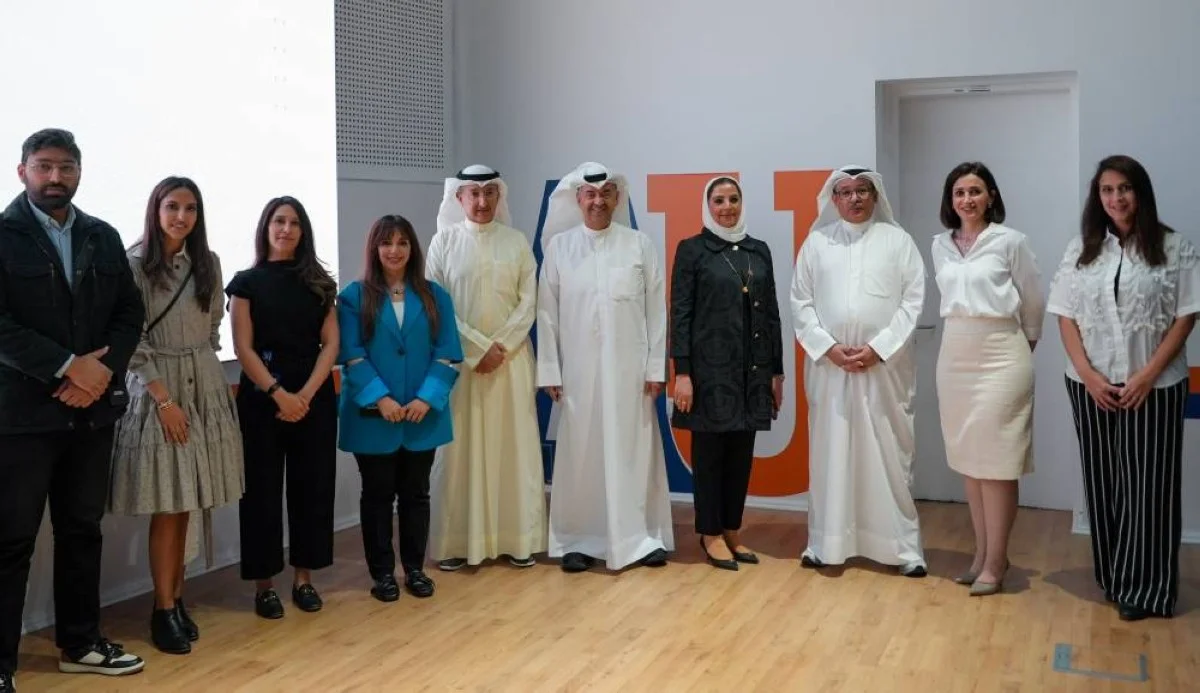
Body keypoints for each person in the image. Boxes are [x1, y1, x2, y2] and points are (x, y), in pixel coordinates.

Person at [0, 128, 146, 688]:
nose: (55, 177)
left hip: (91, 413)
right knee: (10, 541)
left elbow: (128, 316)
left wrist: (98, 373)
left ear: (79, 172)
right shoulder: (4, 235)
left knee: (82, 529)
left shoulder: (102, 237)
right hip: (20, 420)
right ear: (23, 173)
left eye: (65, 167)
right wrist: (66, 366)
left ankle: (80, 643)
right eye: (43, 167)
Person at [1047, 155, 1198, 621]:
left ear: (1141, 192)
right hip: (1090, 386)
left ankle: (1147, 590)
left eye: (1125, 188)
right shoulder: (1081, 249)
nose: (1116, 198)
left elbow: (1187, 313)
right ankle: (1114, 577)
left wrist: (1149, 374)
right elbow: (1065, 316)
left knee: (1148, 488)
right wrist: (1088, 375)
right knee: (1104, 484)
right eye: (1107, 190)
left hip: (1154, 385)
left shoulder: (1174, 247)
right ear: (1098, 196)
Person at [110, 177, 245, 653]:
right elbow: (131, 340)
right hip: (156, 392)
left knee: (186, 500)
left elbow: (212, 329)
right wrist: (164, 399)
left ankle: (178, 597)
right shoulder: (132, 265)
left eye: (190, 208)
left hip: (203, 386)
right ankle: (162, 608)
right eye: (172, 207)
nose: (181, 217)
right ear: (156, 209)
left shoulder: (208, 263)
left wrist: (203, 381)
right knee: (167, 504)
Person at [789, 165, 928, 577]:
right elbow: (801, 303)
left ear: (874, 195)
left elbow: (912, 302)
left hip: (884, 371)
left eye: (862, 191)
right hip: (830, 370)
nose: (854, 199)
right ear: (833, 200)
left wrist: (878, 349)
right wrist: (829, 349)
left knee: (888, 453)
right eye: (845, 192)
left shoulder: (898, 242)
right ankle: (825, 542)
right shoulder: (816, 244)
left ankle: (902, 549)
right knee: (831, 453)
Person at [536, 161, 674, 572]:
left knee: (634, 452)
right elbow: (546, 315)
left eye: (606, 194)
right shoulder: (559, 249)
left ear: (617, 198)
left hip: (632, 375)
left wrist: (655, 368)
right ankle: (578, 540)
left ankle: (643, 538)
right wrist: (550, 371)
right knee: (581, 456)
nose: (598, 201)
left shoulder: (639, 245)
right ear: (578, 199)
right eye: (590, 195)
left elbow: (656, 312)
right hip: (577, 374)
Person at [931, 162, 1045, 596]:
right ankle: (981, 554)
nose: (967, 200)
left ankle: (996, 562)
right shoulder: (940, 245)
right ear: (950, 199)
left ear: (991, 196)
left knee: (997, 464)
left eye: (975, 191)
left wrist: (1025, 342)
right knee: (970, 462)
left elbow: (1033, 298)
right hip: (955, 352)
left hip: (1002, 352)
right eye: (959, 192)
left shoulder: (1010, 241)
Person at [426, 165, 546, 571]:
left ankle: (518, 540)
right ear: (458, 198)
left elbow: (529, 301)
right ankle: (459, 543)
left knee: (514, 450)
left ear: (499, 197)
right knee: (459, 453)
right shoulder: (442, 242)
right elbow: (436, 306)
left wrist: (502, 346)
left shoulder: (516, 243)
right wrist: (477, 350)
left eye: (489, 193)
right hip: (461, 368)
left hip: (510, 364)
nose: (481, 201)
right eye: (473, 193)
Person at [337, 215, 463, 601]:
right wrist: (382, 398)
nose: (395, 251)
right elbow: (352, 356)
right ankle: (382, 574)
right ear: (374, 249)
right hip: (374, 417)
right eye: (386, 243)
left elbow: (448, 354)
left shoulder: (434, 295)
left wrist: (427, 397)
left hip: (422, 415)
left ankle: (413, 569)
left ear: (413, 249)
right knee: (376, 496)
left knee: (417, 494)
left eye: (402, 243)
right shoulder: (354, 297)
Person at [226, 196, 339, 619]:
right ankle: (264, 585)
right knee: (260, 493)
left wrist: (306, 395)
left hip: (314, 397)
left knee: (312, 490)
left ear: (303, 231)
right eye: (278, 221)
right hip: (262, 398)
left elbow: (331, 344)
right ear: (266, 227)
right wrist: (279, 393)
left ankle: (303, 580)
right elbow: (242, 347)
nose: (286, 228)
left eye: (293, 222)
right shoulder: (246, 283)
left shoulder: (320, 284)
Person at [669, 176, 784, 571]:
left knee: (741, 454)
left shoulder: (758, 251)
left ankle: (732, 528)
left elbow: (771, 314)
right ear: (707, 205)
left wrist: (776, 372)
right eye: (718, 200)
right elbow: (680, 314)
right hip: (707, 373)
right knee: (710, 455)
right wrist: (681, 372)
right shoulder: (693, 250)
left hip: (752, 371)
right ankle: (710, 532)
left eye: (734, 199)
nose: (727, 206)